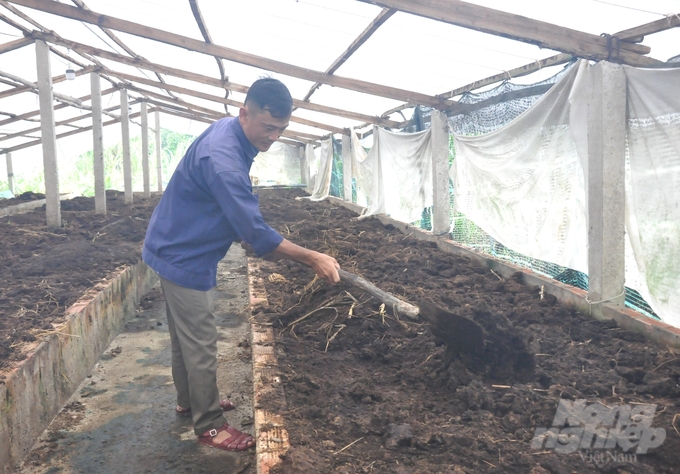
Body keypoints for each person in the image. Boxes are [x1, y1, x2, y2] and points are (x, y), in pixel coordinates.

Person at [142, 78, 340, 451]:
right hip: (183, 254)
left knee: (184, 339)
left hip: (173, 240)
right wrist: (312, 257)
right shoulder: (224, 163)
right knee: (199, 343)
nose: (275, 137)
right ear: (244, 112)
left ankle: (192, 401)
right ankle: (211, 425)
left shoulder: (230, 130)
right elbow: (255, 234)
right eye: (268, 128)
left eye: (282, 129)